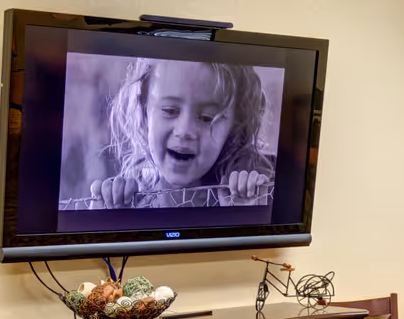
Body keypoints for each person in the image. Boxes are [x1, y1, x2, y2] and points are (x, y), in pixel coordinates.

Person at [85, 59, 275, 208]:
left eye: (208, 118)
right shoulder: (127, 202)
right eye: (169, 110)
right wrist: (103, 226)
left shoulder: (253, 196)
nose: (185, 131)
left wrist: (244, 219)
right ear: (143, 110)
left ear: (233, 129)